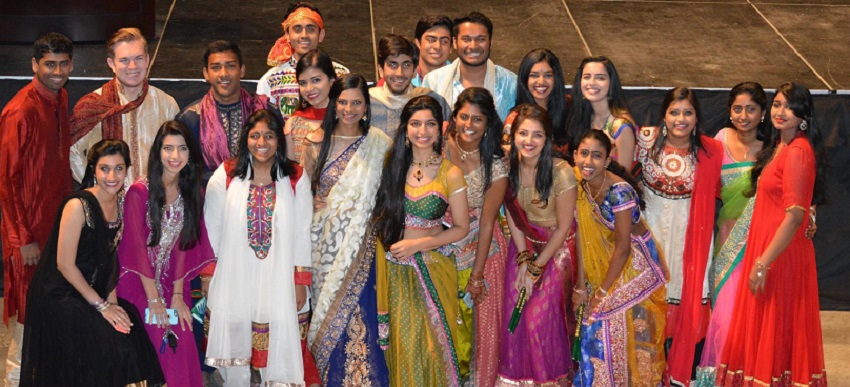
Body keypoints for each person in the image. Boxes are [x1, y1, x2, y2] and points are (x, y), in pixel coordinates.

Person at [21, 139, 166, 386]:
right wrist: (102, 307)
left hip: (95, 290)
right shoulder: (78, 205)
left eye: (119, 168)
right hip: (61, 294)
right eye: (104, 168)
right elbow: (64, 264)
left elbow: (110, 258)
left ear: (127, 169)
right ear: (93, 170)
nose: (112, 176)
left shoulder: (120, 203)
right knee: (104, 346)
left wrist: (113, 303)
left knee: (128, 332)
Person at [716, 82, 827, 387]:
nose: (781, 111)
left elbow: (793, 217)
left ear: (803, 114)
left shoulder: (797, 152)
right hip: (770, 249)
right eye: (777, 104)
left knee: (776, 329)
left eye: (789, 106)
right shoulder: (782, 145)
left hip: (780, 255)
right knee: (768, 330)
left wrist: (763, 262)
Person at [203, 110, 312, 386]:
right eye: (255, 135)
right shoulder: (226, 174)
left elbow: (302, 230)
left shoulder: (296, 176)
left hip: (279, 277)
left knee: (277, 348)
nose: (261, 142)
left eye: (269, 135)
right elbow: (211, 227)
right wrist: (208, 274)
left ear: (278, 140)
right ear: (245, 139)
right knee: (235, 350)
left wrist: (300, 280)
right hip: (234, 276)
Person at [372, 95, 470, 386]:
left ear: (441, 129)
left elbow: (461, 228)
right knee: (403, 345)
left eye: (430, 124)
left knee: (431, 348)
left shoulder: (450, 172)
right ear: (405, 128)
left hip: (433, 269)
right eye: (415, 124)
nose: (423, 131)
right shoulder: (392, 166)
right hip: (394, 270)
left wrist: (417, 244)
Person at [303, 74, 393, 386]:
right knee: (327, 317)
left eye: (357, 102)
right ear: (333, 104)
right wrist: (309, 201)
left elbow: (387, 196)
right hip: (322, 250)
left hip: (362, 250)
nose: (349, 108)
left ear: (366, 107)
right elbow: (304, 191)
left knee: (363, 319)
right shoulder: (315, 142)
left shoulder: (380, 144)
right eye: (343, 101)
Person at [634, 87, 722, 386]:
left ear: (697, 117)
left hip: (690, 244)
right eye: (674, 112)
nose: (680, 119)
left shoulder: (711, 152)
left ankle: (678, 377)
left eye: (687, 112)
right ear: (664, 116)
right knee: (646, 316)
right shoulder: (644, 141)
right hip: (650, 240)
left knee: (684, 312)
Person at [116, 121, 216, 387]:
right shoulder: (139, 193)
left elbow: (186, 246)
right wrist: (153, 300)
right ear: (157, 152)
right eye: (168, 148)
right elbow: (135, 251)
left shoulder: (192, 192)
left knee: (182, 327)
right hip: (137, 284)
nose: (175, 156)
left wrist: (177, 295)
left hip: (171, 280)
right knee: (156, 329)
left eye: (182, 149)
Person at [0, 32, 74, 387]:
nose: (57, 71)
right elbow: (7, 181)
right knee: (26, 314)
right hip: (27, 233)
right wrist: (21, 239)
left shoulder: (60, 98)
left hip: (54, 225)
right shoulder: (19, 111)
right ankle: (15, 379)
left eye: (62, 64)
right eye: (49, 64)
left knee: (50, 305)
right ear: (34, 65)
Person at [572, 129, 667, 387]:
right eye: (583, 154)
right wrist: (581, 286)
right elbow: (583, 237)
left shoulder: (619, 192)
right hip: (606, 261)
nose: (588, 162)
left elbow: (624, 247)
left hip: (635, 263)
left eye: (596, 156)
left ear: (607, 160)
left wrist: (601, 293)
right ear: (575, 155)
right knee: (594, 324)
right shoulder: (578, 184)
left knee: (607, 324)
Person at [497, 104, 577, 386]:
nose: (529, 141)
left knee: (536, 320)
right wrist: (522, 260)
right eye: (523, 134)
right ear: (513, 135)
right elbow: (513, 216)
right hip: (523, 246)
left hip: (556, 251)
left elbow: (564, 228)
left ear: (547, 139)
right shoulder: (508, 169)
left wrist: (535, 268)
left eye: (537, 135)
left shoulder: (561, 171)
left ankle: (550, 380)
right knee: (513, 318)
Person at [693, 82, 766, 385]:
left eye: (751, 109)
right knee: (723, 316)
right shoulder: (719, 142)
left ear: (763, 113)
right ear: (729, 111)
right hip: (725, 244)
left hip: (760, 244)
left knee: (753, 316)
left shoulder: (772, 150)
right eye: (737, 108)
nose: (744, 115)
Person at [443, 87, 508, 386]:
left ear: (488, 123)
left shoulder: (496, 164)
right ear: (454, 117)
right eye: (464, 117)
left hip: (483, 252)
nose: (469, 125)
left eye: (477, 119)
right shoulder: (439, 147)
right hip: (439, 248)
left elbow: (486, 222)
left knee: (478, 334)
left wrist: (478, 275)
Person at [70, 27, 179, 184]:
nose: (133, 66)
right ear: (111, 63)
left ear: (148, 60)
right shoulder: (93, 105)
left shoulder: (166, 105)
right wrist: (100, 187)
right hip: (108, 204)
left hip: (153, 201)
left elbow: (177, 155)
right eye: (124, 60)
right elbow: (72, 151)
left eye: (139, 58)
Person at [177, 40, 274, 180]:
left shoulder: (265, 111)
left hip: (259, 195)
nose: (223, 74)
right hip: (208, 198)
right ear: (206, 73)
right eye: (216, 67)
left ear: (242, 70)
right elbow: (183, 174)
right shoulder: (190, 120)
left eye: (230, 66)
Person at [258, 2, 349, 120]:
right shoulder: (270, 80)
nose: (304, 35)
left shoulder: (341, 74)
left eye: (311, 29)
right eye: (297, 29)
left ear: (321, 35)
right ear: (287, 35)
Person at [422, 12, 517, 121]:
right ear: (455, 42)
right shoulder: (433, 82)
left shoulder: (510, 83)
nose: (473, 46)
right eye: (466, 39)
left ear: (490, 42)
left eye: (481, 39)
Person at [370, 34, 450, 138]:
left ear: (415, 70)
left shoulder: (432, 100)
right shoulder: (367, 102)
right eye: (392, 65)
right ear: (381, 70)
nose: (400, 73)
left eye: (406, 65)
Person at [566, 56, 636, 169]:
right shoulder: (582, 116)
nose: (592, 83)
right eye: (587, 77)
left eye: (600, 78)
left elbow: (624, 179)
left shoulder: (621, 127)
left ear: (611, 83)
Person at [505, 48, 570, 155]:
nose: (541, 81)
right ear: (525, 79)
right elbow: (507, 158)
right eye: (534, 75)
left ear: (556, 78)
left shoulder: (569, 108)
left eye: (548, 75)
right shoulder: (515, 118)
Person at [284, 49, 337, 163]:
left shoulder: (344, 119)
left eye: (316, 80)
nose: (308, 89)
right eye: (303, 83)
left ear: (331, 81)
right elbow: (291, 174)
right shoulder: (293, 124)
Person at [375, 15, 453, 88]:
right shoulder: (393, 81)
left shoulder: (461, 80)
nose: (437, 46)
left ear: (451, 47)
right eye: (431, 40)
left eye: (444, 41)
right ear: (418, 43)